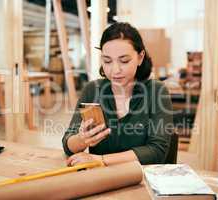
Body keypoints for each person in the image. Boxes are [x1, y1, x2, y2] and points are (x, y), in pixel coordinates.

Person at [63, 22, 173, 166]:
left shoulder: (156, 91)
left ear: (140, 57)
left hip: (140, 180)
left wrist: (101, 160)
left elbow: (156, 151)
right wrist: (81, 139)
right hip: (102, 179)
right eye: (107, 61)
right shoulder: (93, 89)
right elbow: (68, 144)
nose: (115, 70)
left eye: (124, 61)